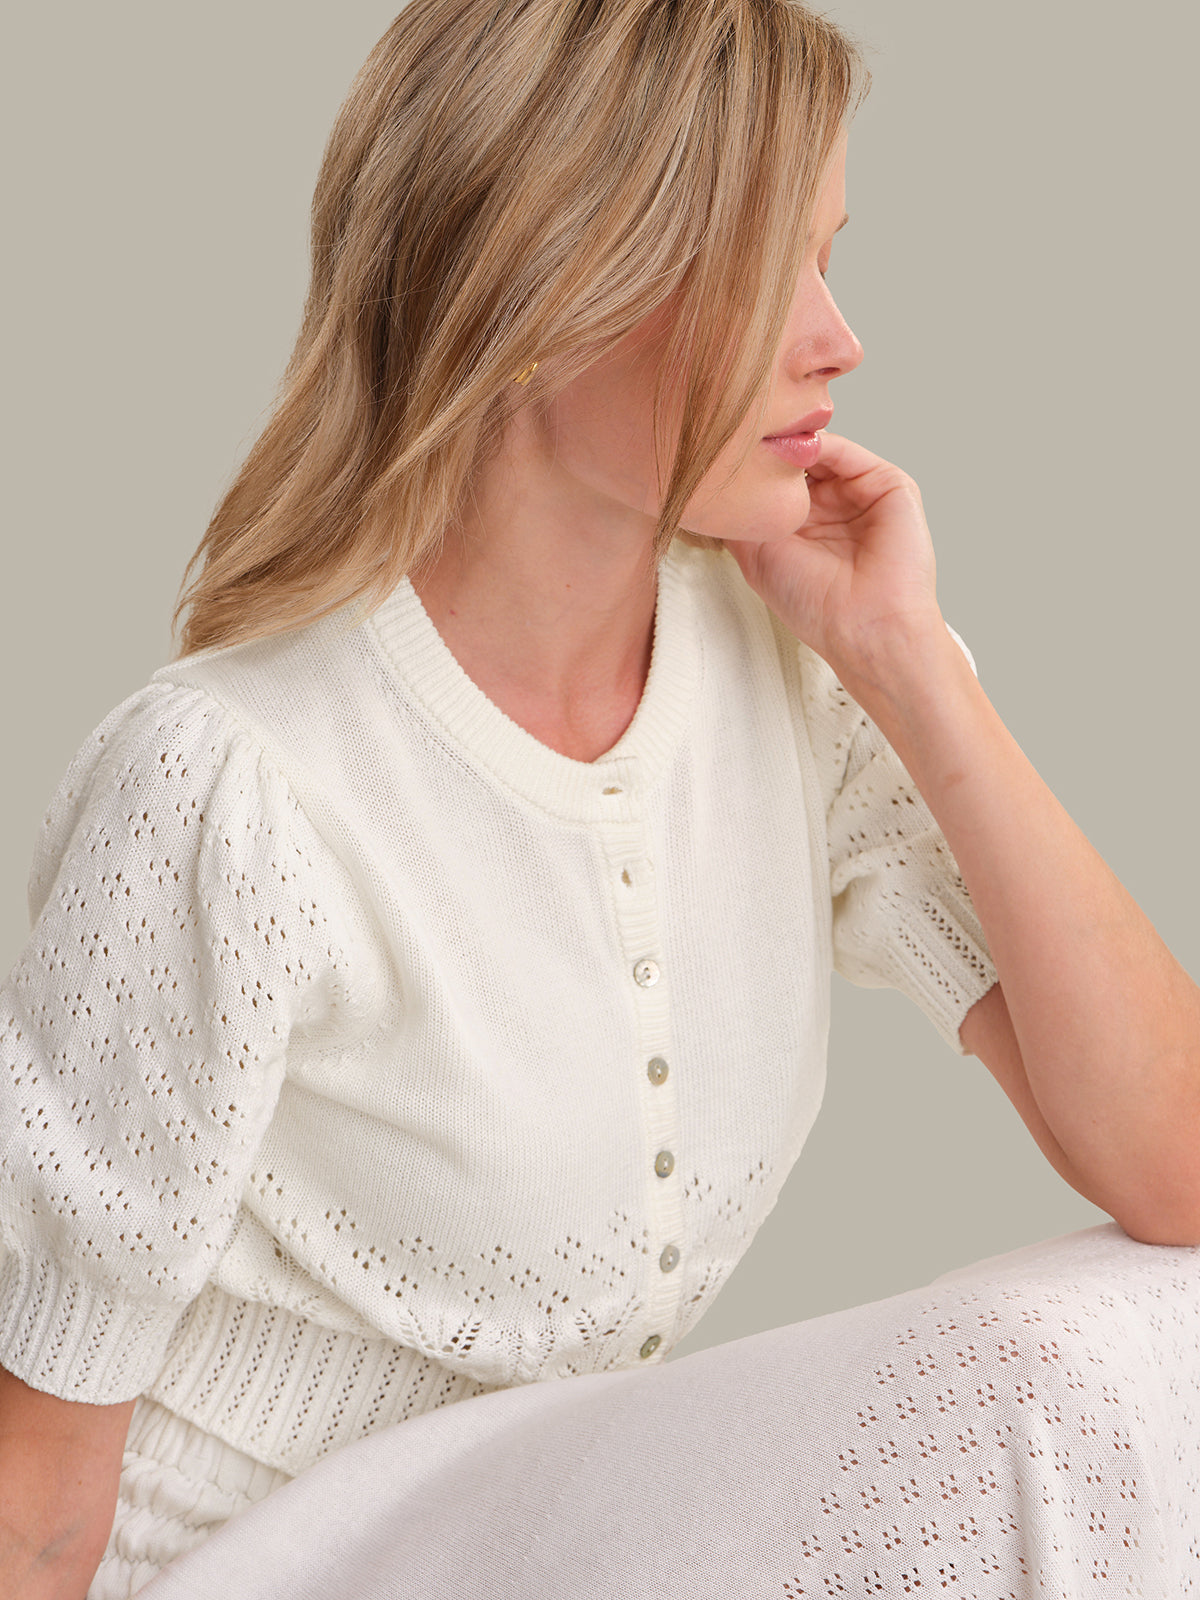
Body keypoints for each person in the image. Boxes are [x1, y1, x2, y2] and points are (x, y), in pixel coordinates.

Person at [1, 2, 1198, 1596]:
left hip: (546, 1536)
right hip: (244, 1563)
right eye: (778, 263)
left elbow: (1176, 1175)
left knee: (1150, 1329)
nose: (841, 339)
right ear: (557, 282)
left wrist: (913, 664)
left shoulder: (798, 672)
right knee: (1027, 1377)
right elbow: (39, 1470)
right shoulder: (228, 787)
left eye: (835, 254)